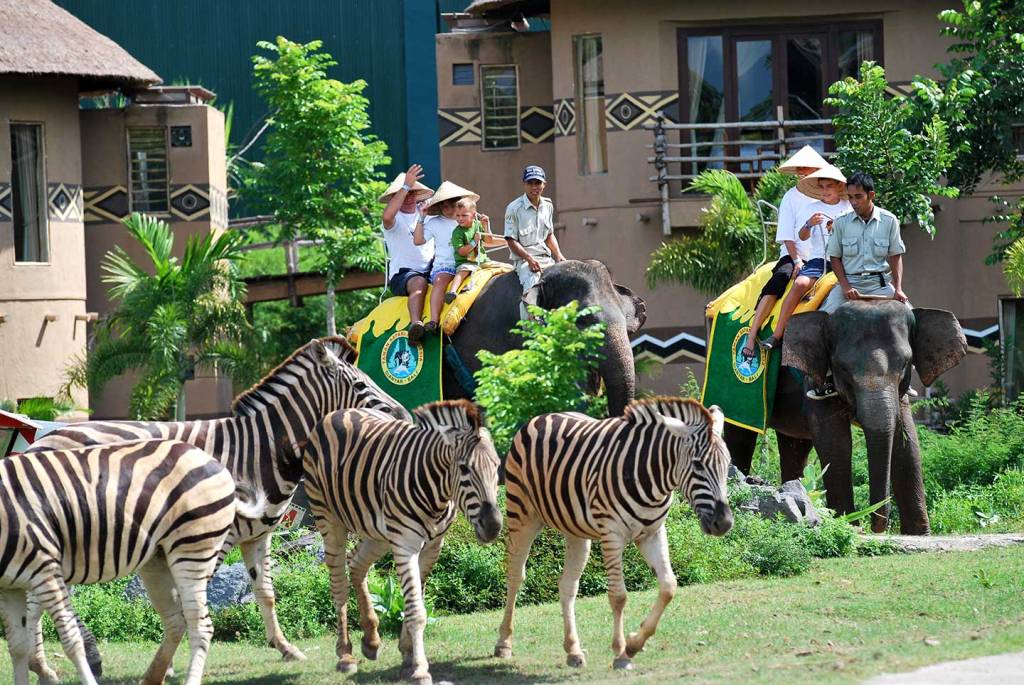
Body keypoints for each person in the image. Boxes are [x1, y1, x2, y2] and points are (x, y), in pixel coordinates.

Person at [807, 171, 910, 400]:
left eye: (858, 197)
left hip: (881, 284)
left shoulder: (889, 220)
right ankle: (824, 378)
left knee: (912, 318)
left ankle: (908, 377)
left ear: (871, 195)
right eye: (850, 197)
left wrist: (899, 288)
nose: (853, 202)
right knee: (823, 321)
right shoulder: (842, 223)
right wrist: (844, 287)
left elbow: (896, 255)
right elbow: (834, 258)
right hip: (850, 284)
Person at [739, 145, 829, 359]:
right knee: (780, 278)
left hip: (826, 255)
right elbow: (787, 234)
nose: (806, 172)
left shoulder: (830, 197)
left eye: (811, 168)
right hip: (796, 253)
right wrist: (797, 260)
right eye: (803, 168)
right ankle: (752, 336)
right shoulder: (791, 197)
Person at [758, 165, 852, 350]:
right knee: (800, 284)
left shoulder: (849, 208)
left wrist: (839, 230)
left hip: (846, 260)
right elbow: (802, 236)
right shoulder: (812, 208)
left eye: (829, 186)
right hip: (820, 259)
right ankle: (777, 335)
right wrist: (809, 224)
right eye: (822, 187)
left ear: (839, 187)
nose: (825, 191)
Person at [414, 181, 479, 335]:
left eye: (451, 203)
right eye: (442, 204)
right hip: (446, 266)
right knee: (439, 281)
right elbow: (417, 241)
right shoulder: (434, 223)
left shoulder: (471, 221)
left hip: (470, 262)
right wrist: (421, 218)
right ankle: (434, 321)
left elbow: (485, 240)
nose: (446, 206)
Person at [380, 164, 435, 344]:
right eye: (405, 193)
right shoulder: (394, 220)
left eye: (412, 192)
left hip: (433, 269)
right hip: (404, 276)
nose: (409, 197)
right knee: (418, 281)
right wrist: (405, 186)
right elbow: (387, 217)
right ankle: (415, 325)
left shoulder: (427, 213)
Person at [504, 165, 565, 308]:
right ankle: (531, 326)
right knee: (532, 293)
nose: (534, 187)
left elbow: (549, 235)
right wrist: (529, 259)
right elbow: (510, 240)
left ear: (544, 184)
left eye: (537, 183)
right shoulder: (514, 208)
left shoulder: (548, 205)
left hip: (546, 258)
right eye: (530, 183)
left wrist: (559, 256)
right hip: (525, 262)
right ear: (524, 185)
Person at [446, 197, 506, 304]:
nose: (460, 219)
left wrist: (486, 226)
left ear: (474, 215)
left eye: (464, 215)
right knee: (462, 272)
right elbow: (462, 252)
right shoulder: (457, 232)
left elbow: (489, 240)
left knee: (507, 267)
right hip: (466, 262)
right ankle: (452, 291)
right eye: (457, 216)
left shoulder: (477, 225)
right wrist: (474, 241)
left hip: (483, 261)